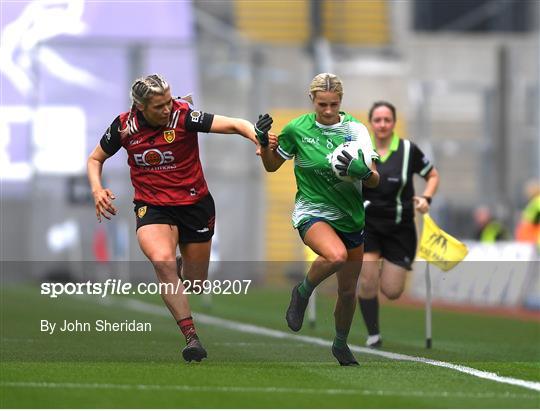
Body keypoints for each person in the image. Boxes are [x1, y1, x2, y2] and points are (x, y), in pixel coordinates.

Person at [87, 74, 270, 363]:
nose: (168, 109)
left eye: (170, 101)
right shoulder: (123, 127)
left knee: (196, 283)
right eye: (159, 105)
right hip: (153, 207)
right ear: (140, 107)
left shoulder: (183, 116)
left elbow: (235, 124)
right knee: (162, 261)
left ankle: (182, 266)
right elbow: (95, 159)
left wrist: (255, 136)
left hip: (195, 206)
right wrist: (97, 189)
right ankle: (191, 338)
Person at [256, 73, 380, 366]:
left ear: (341, 102)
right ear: (312, 100)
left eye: (333, 104)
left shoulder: (356, 131)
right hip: (312, 210)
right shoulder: (297, 129)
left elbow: (374, 180)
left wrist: (362, 170)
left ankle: (340, 345)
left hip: (350, 217)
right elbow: (272, 166)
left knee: (348, 291)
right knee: (335, 255)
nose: (327, 110)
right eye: (322, 104)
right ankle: (302, 292)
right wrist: (264, 143)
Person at [357, 101, 440, 348]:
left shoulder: (408, 150)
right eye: (378, 120)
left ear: (393, 123)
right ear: (371, 122)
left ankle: (383, 270)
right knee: (367, 281)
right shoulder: (360, 149)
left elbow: (432, 175)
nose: (382, 124)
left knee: (392, 291)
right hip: (368, 225)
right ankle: (373, 334)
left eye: (387, 120)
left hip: (400, 228)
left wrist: (426, 198)